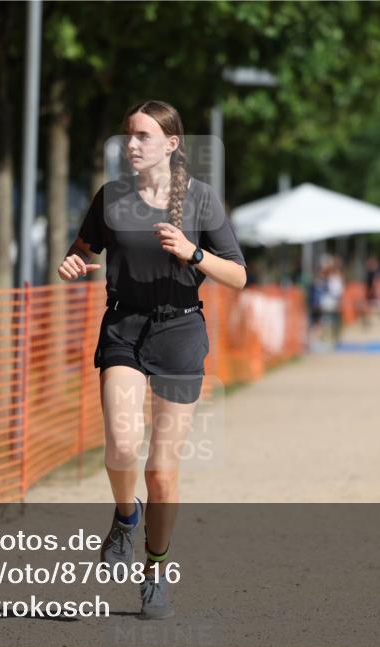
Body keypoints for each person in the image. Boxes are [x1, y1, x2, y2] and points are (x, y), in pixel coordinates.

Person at [57, 100, 246, 620]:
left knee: (161, 469)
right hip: (123, 325)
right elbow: (84, 249)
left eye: (142, 136)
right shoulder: (111, 197)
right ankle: (125, 516)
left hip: (180, 330)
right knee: (120, 445)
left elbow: (238, 275)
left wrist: (193, 253)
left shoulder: (201, 201)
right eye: (127, 136)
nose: (131, 145)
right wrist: (75, 262)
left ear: (171, 144)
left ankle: (156, 572)